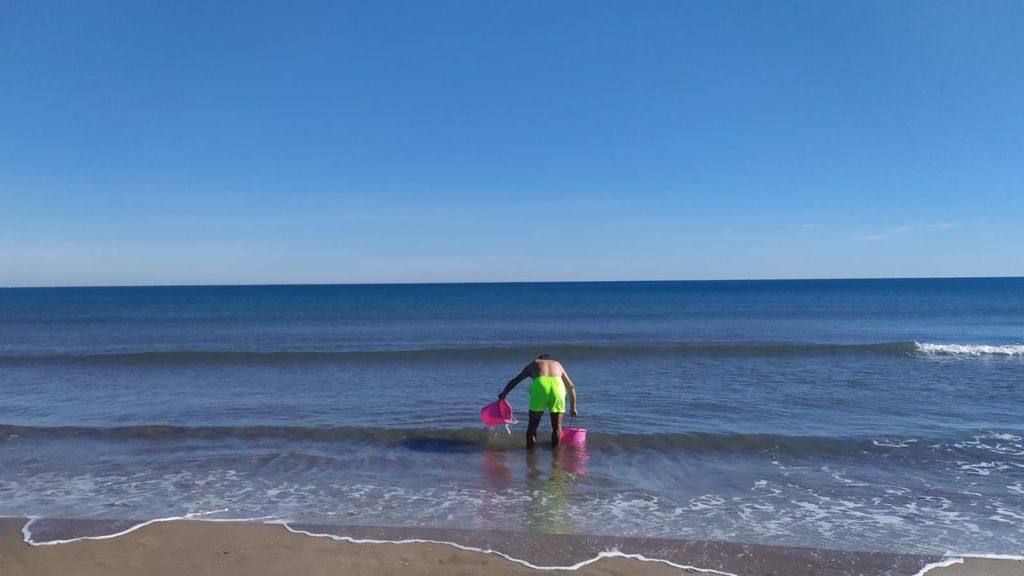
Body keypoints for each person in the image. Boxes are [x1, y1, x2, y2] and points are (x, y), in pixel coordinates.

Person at [498, 354, 577, 449]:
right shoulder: (557, 364)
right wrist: (573, 408)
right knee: (557, 427)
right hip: (558, 387)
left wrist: (503, 394)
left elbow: (515, 381)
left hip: (541, 386)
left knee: (532, 426)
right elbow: (571, 386)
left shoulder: (535, 363)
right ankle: (556, 456)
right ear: (549, 360)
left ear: (540, 359)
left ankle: (530, 455)